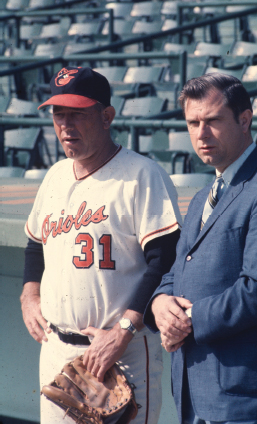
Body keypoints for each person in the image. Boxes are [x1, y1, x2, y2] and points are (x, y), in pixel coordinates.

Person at [144, 73, 257, 424]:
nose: (201, 134)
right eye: (193, 123)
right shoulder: (203, 197)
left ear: (245, 119)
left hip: (244, 401)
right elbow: (176, 273)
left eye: (213, 121)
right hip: (194, 394)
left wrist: (184, 321)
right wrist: (160, 304)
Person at [20, 66, 182, 424]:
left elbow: (165, 261)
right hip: (56, 348)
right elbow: (35, 244)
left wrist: (123, 331)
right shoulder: (55, 175)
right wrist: (29, 293)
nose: (65, 124)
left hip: (120, 353)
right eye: (58, 114)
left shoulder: (142, 175)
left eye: (77, 113)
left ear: (106, 116)